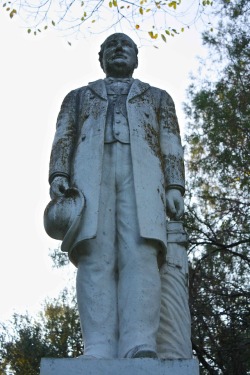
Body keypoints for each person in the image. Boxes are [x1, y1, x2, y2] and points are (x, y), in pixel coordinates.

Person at [48, 33, 185, 359]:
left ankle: (140, 343)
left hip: (144, 179)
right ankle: (98, 346)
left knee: (140, 256)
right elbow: (64, 136)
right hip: (89, 179)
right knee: (95, 258)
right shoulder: (78, 97)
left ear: (136, 58)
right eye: (112, 45)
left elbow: (170, 142)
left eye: (126, 45)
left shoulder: (158, 98)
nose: (119, 49)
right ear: (102, 57)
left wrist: (175, 186)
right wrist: (58, 175)